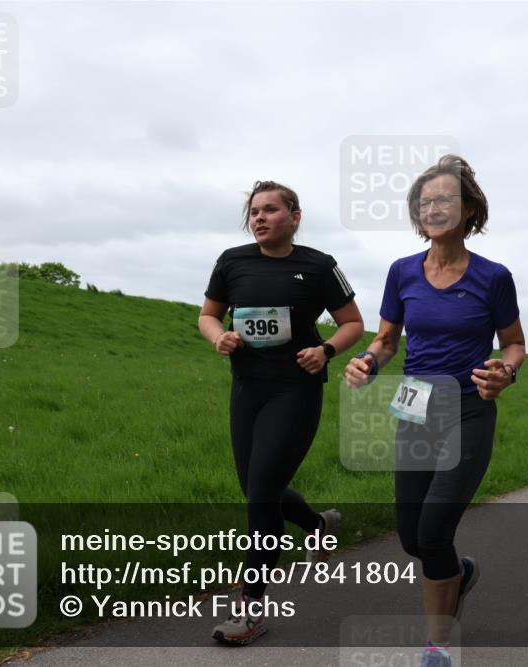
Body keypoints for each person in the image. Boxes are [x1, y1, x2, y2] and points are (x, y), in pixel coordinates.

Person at [345, 155, 525, 667]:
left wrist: (505, 373)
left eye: (445, 198)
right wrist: (366, 363)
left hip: (468, 410)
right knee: (410, 538)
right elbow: (384, 341)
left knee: (433, 532)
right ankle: (458, 575)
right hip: (415, 408)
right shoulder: (402, 272)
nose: (433, 207)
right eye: (425, 201)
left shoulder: (494, 277)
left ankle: (438, 644)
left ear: (468, 209)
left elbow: (514, 344)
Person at [198, 180, 365, 645]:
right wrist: (219, 337)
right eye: (254, 211)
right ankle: (317, 525)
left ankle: (249, 610)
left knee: (260, 496)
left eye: (270, 210)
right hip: (247, 389)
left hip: (295, 390)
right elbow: (209, 315)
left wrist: (326, 350)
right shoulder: (232, 262)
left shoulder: (318, 266)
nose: (259, 218)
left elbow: (353, 323)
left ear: (294, 216)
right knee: (255, 487)